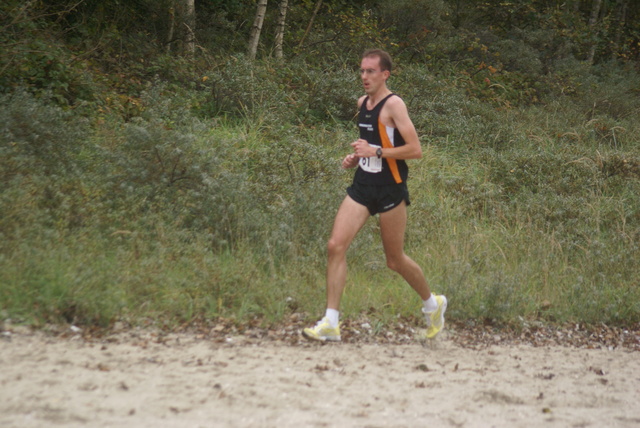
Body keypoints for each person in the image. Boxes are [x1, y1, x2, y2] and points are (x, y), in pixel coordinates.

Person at [302, 49, 447, 342]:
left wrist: (376, 152)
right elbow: (371, 142)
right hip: (363, 186)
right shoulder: (362, 103)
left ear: (385, 75)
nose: (364, 77)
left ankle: (433, 304)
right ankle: (331, 322)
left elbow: (415, 150)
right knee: (335, 246)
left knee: (394, 261)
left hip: (390, 188)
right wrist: (357, 156)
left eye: (370, 71)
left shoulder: (394, 105)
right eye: (361, 71)